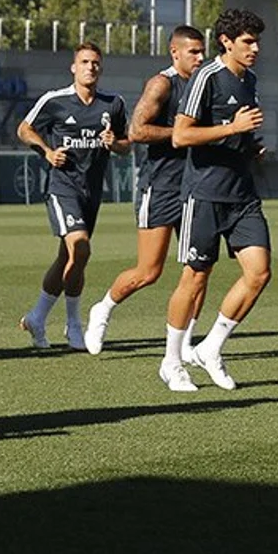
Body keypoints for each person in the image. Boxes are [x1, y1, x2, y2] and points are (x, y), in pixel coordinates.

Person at [82, 26, 207, 365]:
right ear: (175, 53)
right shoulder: (162, 84)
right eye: (193, 52)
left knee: (199, 268)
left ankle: (185, 344)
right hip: (161, 186)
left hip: (197, 187)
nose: (199, 57)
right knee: (149, 271)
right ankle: (103, 309)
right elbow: (137, 131)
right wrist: (181, 134)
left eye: (202, 51)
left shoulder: (205, 83)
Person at [162, 9, 272, 391]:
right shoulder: (207, 76)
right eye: (248, 41)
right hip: (205, 194)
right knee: (194, 278)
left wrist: (250, 145)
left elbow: (237, 133)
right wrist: (233, 128)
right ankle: (172, 361)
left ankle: (211, 347)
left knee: (259, 272)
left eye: (257, 41)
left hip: (242, 195)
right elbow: (180, 136)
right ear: (227, 42)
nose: (255, 48)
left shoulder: (251, 79)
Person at [18, 42, 130, 351]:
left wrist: (114, 143)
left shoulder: (113, 103)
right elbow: (24, 129)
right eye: (84, 62)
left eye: (95, 62)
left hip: (91, 192)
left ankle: (37, 317)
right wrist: (47, 151)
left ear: (101, 68)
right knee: (80, 248)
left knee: (68, 257)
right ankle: (74, 324)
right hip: (62, 187)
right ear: (73, 67)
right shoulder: (56, 100)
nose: (90, 67)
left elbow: (126, 143)